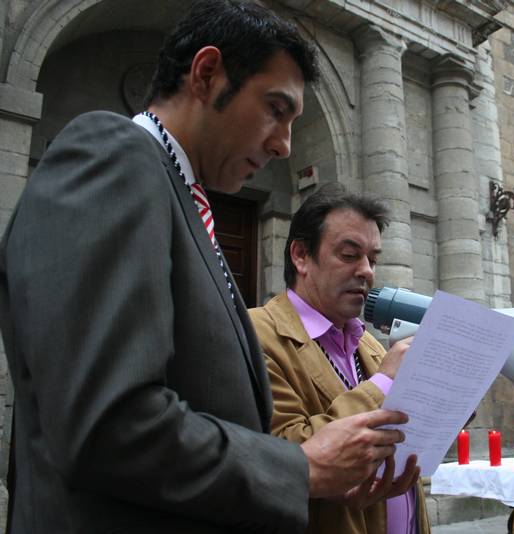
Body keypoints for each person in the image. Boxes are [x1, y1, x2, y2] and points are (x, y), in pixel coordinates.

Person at [0, 2, 410, 532]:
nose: (284, 145)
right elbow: (110, 424)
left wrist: (323, 479)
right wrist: (300, 469)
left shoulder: (184, 201)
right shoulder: (112, 154)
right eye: (275, 109)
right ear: (207, 73)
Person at [248, 186, 430, 534]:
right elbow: (287, 456)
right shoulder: (255, 333)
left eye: (373, 260)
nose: (367, 272)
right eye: (349, 255)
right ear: (301, 256)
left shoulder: (369, 344)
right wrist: (383, 384)